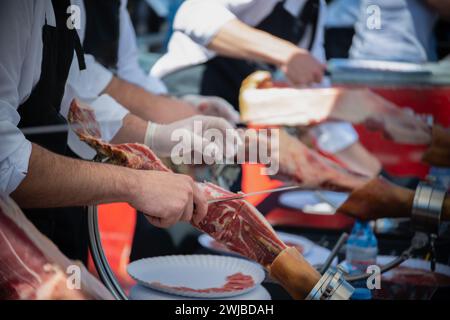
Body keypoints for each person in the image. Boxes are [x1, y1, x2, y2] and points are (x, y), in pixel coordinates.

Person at [0, 0, 241, 263]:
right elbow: (5, 158)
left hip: (54, 208)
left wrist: (160, 134)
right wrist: (134, 185)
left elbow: (79, 92)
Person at [151, 0, 382, 177]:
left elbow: (317, 100)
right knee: (171, 216)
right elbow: (193, 14)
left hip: (229, 124)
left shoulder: (314, 9)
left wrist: (373, 175)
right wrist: (287, 54)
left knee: (219, 218)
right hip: (183, 104)